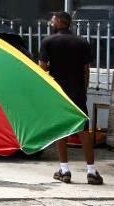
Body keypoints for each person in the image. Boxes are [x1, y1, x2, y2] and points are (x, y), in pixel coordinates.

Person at [41, 10, 99, 184]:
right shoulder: (82, 42)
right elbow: (85, 70)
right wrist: (84, 90)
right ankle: (91, 171)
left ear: (59, 22)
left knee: (61, 129)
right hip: (78, 92)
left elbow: (42, 68)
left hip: (58, 92)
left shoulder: (48, 42)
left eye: (52, 21)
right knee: (83, 130)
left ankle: (64, 170)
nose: (51, 23)